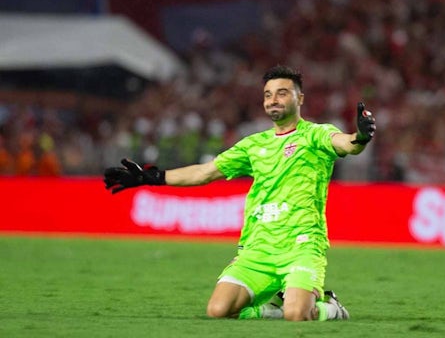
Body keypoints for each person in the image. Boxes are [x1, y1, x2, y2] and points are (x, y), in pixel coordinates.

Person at [103, 65, 376, 321]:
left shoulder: (315, 135)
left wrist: (360, 137)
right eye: (268, 95)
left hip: (301, 246)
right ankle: (272, 309)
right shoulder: (253, 145)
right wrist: (151, 177)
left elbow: (346, 144)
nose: (273, 100)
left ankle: (331, 308)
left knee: (297, 314)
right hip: (257, 249)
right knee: (218, 310)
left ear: (299, 98)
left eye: (282, 93)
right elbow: (204, 172)